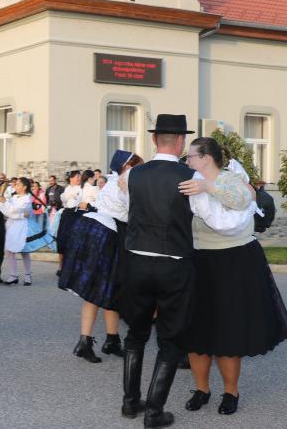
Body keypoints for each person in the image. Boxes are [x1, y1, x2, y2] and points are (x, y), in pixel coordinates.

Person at [119, 114, 255, 427]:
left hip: (136, 261)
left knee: (135, 336)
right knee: (170, 339)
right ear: (181, 141)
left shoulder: (133, 175)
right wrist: (243, 206)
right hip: (173, 264)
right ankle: (154, 412)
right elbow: (217, 220)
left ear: (154, 140)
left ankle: (129, 403)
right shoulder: (187, 178)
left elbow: (129, 212)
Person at [178, 137, 287, 416]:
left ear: (206, 158)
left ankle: (231, 391)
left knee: (228, 330)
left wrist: (208, 186)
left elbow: (241, 200)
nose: (187, 160)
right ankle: (201, 389)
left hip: (233, 260)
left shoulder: (232, 179)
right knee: (196, 329)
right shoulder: (189, 181)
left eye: (191, 156)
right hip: (199, 260)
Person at [58, 150, 143, 364]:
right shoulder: (126, 183)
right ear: (129, 165)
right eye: (139, 164)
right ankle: (91, 342)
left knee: (105, 290)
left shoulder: (114, 180)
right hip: (108, 234)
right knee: (105, 289)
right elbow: (135, 211)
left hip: (94, 228)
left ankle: (108, 340)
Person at [0, 178, 32, 285]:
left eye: (17, 184)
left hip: (22, 227)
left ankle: (27, 275)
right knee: (9, 251)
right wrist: (1, 200)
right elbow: (5, 209)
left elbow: (13, 211)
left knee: (24, 251)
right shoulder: (13, 197)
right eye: (15, 184)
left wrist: (6, 203)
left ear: (24, 187)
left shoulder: (27, 199)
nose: (15, 186)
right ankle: (13, 275)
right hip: (11, 226)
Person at [56, 170, 82, 273]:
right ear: (71, 178)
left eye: (80, 176)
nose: (79, 178)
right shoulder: (66, 188)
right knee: (62, 240)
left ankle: (74, 267)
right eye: (77, 176)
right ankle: (61, 267)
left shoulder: (82, 188)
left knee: (75, 241)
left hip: (77, 215)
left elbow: (76, 202)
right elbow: (65, 201)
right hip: (66, 215)